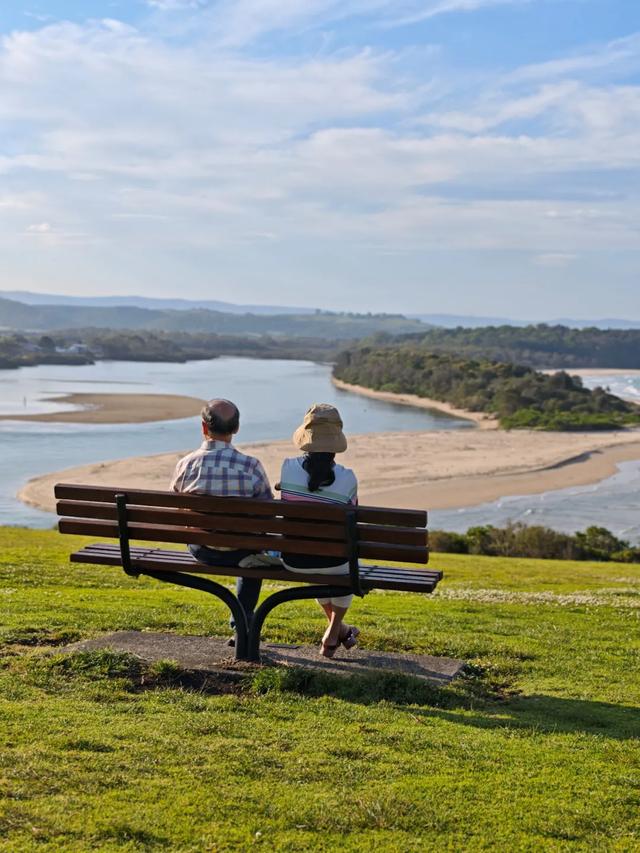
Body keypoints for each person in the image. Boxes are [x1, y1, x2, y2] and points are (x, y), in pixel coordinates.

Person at [170, 398, 273, 639]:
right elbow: (268, 514)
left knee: (250, 547)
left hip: (201, 550)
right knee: (253, 553)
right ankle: (242, 623)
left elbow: (176, 510)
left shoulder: (186, 465)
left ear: (204, 427)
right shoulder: (251, 466)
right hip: (242, 552)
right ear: (236, 428)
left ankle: (241, 624)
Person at [278, 403, 360, 658]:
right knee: (337, 562)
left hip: (294, 560)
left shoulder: (287, 468)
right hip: (335, 562)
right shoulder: (348, 478)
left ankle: (338, 629)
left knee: (314, 551)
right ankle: (334, 630)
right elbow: (352, 520)